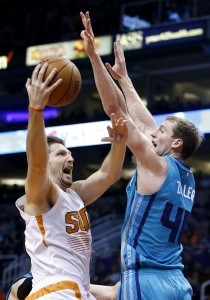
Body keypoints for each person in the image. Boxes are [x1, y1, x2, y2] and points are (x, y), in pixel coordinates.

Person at [80, 11, 204, 300]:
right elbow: (145, 122)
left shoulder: (156, 165)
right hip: (175, 281)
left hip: (145, 279)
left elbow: (117, 112)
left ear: (175, 143)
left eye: (161, 131)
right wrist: (125, 80)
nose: (152, 133)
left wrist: (93, 57)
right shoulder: (185, 175)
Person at [15, 62, 128, 299]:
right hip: (56, 291)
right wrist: (36, 110)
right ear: (47, 160)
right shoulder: (42, 193)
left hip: (75, 290)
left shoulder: (74, 194)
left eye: (70, 153)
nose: (71, 157)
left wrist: (119, 144)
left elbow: (109, 174)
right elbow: (36, 163)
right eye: (61, 153)